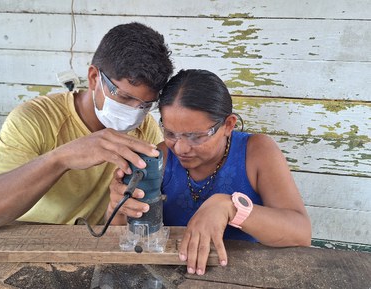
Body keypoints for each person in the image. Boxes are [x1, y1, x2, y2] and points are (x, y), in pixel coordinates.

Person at [0, 22, 174, 234]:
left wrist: (118, 208)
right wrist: (60, 159)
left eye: (145, 105)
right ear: (94, 78)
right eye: (125, 97)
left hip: (87, 246)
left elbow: (121, 217)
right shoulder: (36, 119)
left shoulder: (145, 129)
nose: (134, 112)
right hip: (24, 240)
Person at [108, 69, 311, 275]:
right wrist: (119, 205)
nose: (181, 148)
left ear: (228, 125)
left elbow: (301, 232)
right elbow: (118, 233)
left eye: (196, 136)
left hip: (245, 275)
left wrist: (231, 207)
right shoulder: (161, 157)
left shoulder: (256, 152)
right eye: (170, 133)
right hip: (170, 275)